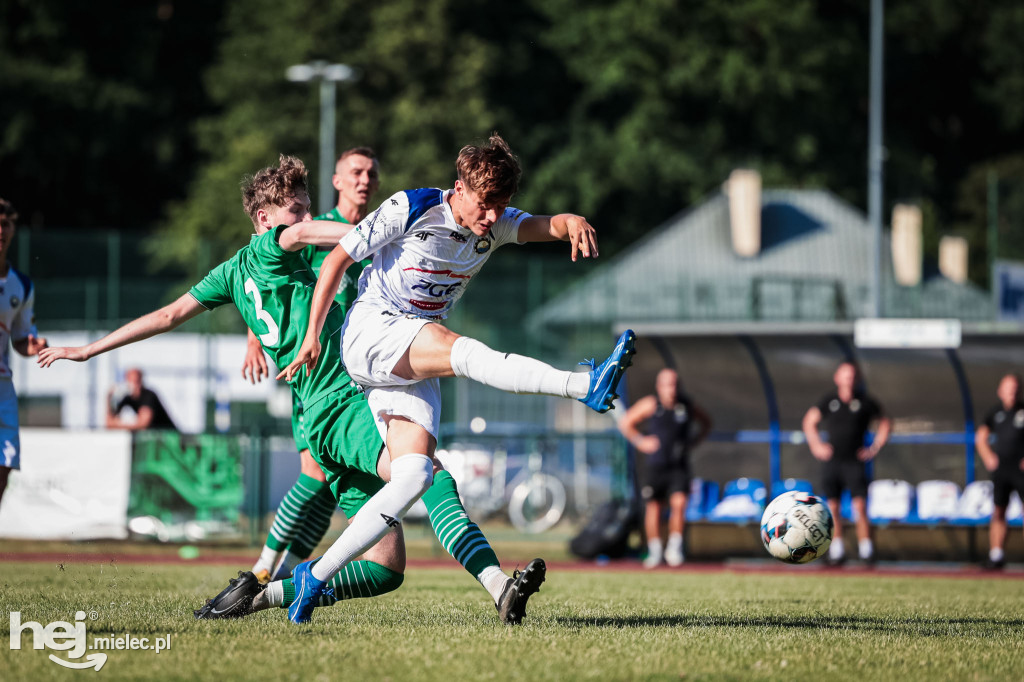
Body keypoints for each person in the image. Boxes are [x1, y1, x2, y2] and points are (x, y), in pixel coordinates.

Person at [39, 155, 543, 626]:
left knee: (386, 569)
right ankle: (499, 586)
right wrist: (383, 236)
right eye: (294, 210)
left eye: (305, 208)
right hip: (347, 404)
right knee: (429, 476)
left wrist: (88, 351)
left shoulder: (231, 273)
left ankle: (262, 592)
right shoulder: (275, 243)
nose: (303, 220)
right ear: (263, 219)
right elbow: (318, 236)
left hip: (320, 420)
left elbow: (168, 315)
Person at [278, 133, 635, 623]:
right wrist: (312, 335)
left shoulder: (498, 221)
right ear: (460, 188)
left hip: (408, 360)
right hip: (372, 332)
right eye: (485, 204)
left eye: (500, 206)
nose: (492, 217)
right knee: (460, 351)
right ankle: (581, 386)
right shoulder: (411, 206)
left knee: (415, 477)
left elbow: (536, 225)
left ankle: (312, 580)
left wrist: (568, 222)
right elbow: (339, 257)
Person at [241, 147, 381, 583]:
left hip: (353, 369)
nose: (364, 179)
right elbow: (268, 282)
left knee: (328, 488)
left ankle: (285, 573)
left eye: (371, 173)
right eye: (355, 171)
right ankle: (263, 566)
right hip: (315, 370)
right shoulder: (308, 227)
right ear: (337, 180)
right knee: (314, 471)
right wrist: (254, 339)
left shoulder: (373, 233)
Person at [618, 368, 712, 568]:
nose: (672, 389)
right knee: (654, 507)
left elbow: (706, 423)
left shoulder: (686, 406)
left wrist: (694, 441)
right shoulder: (652, 404)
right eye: (667, 384)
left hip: (678, 466)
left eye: (675, 384)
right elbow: (626, 422)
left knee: (679, 504)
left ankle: (674, 549)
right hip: (656, 466)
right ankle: (655, 550)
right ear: (659, 387)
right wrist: (641, 441)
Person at [802, 360, 891, 565]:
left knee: (859, 505)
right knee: (832, 505)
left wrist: (875, 447)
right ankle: (837, 550)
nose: (848, 379)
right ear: (837, 378)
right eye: (845, 375)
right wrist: (817, 445)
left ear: (857, 379)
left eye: (852, 376)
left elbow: (885, 422)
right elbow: (809, 421)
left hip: (855, 461)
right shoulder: (829, 401)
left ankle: (866, 550)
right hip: (833, 461)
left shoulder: (866, 402)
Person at [0, 198, 48, 510]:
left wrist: (32, 346)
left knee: (4, 469)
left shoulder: (22, 285)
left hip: (2, 386)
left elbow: (20, 338)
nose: (1, 230)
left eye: (6, 224)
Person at [975, 373, 1024, 570]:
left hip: (1020, 470)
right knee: (998, 511)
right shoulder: (995, 413)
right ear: (1000, 391)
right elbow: (981, 437)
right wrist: (989, 457)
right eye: (1008, 389)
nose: (1011, 393)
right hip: (1002, 469)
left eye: (1015, 389)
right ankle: (996, 555)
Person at [106, 367, 177, 431]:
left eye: (136, 381)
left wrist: (118, 424)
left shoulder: (149, 396)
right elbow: (109, 423)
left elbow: (143, 424)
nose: (134, 385)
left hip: (168, 435)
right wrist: (109, 399)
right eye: (131, 381)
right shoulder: (127, 398)